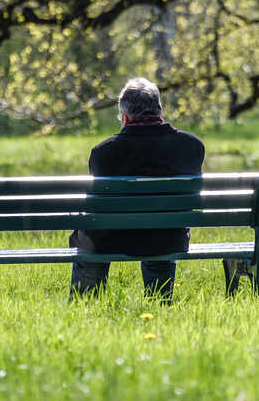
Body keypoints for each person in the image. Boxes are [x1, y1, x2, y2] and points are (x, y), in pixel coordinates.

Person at [69, 77, 205, 301]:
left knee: (89, 240)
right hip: (168, 238)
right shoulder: (192, 146)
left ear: (124, 116)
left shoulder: (104, 152)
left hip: (111, 240)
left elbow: (97, 206)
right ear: (159, 110)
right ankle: (160, 302)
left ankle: (86, 303)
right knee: (159, 236)